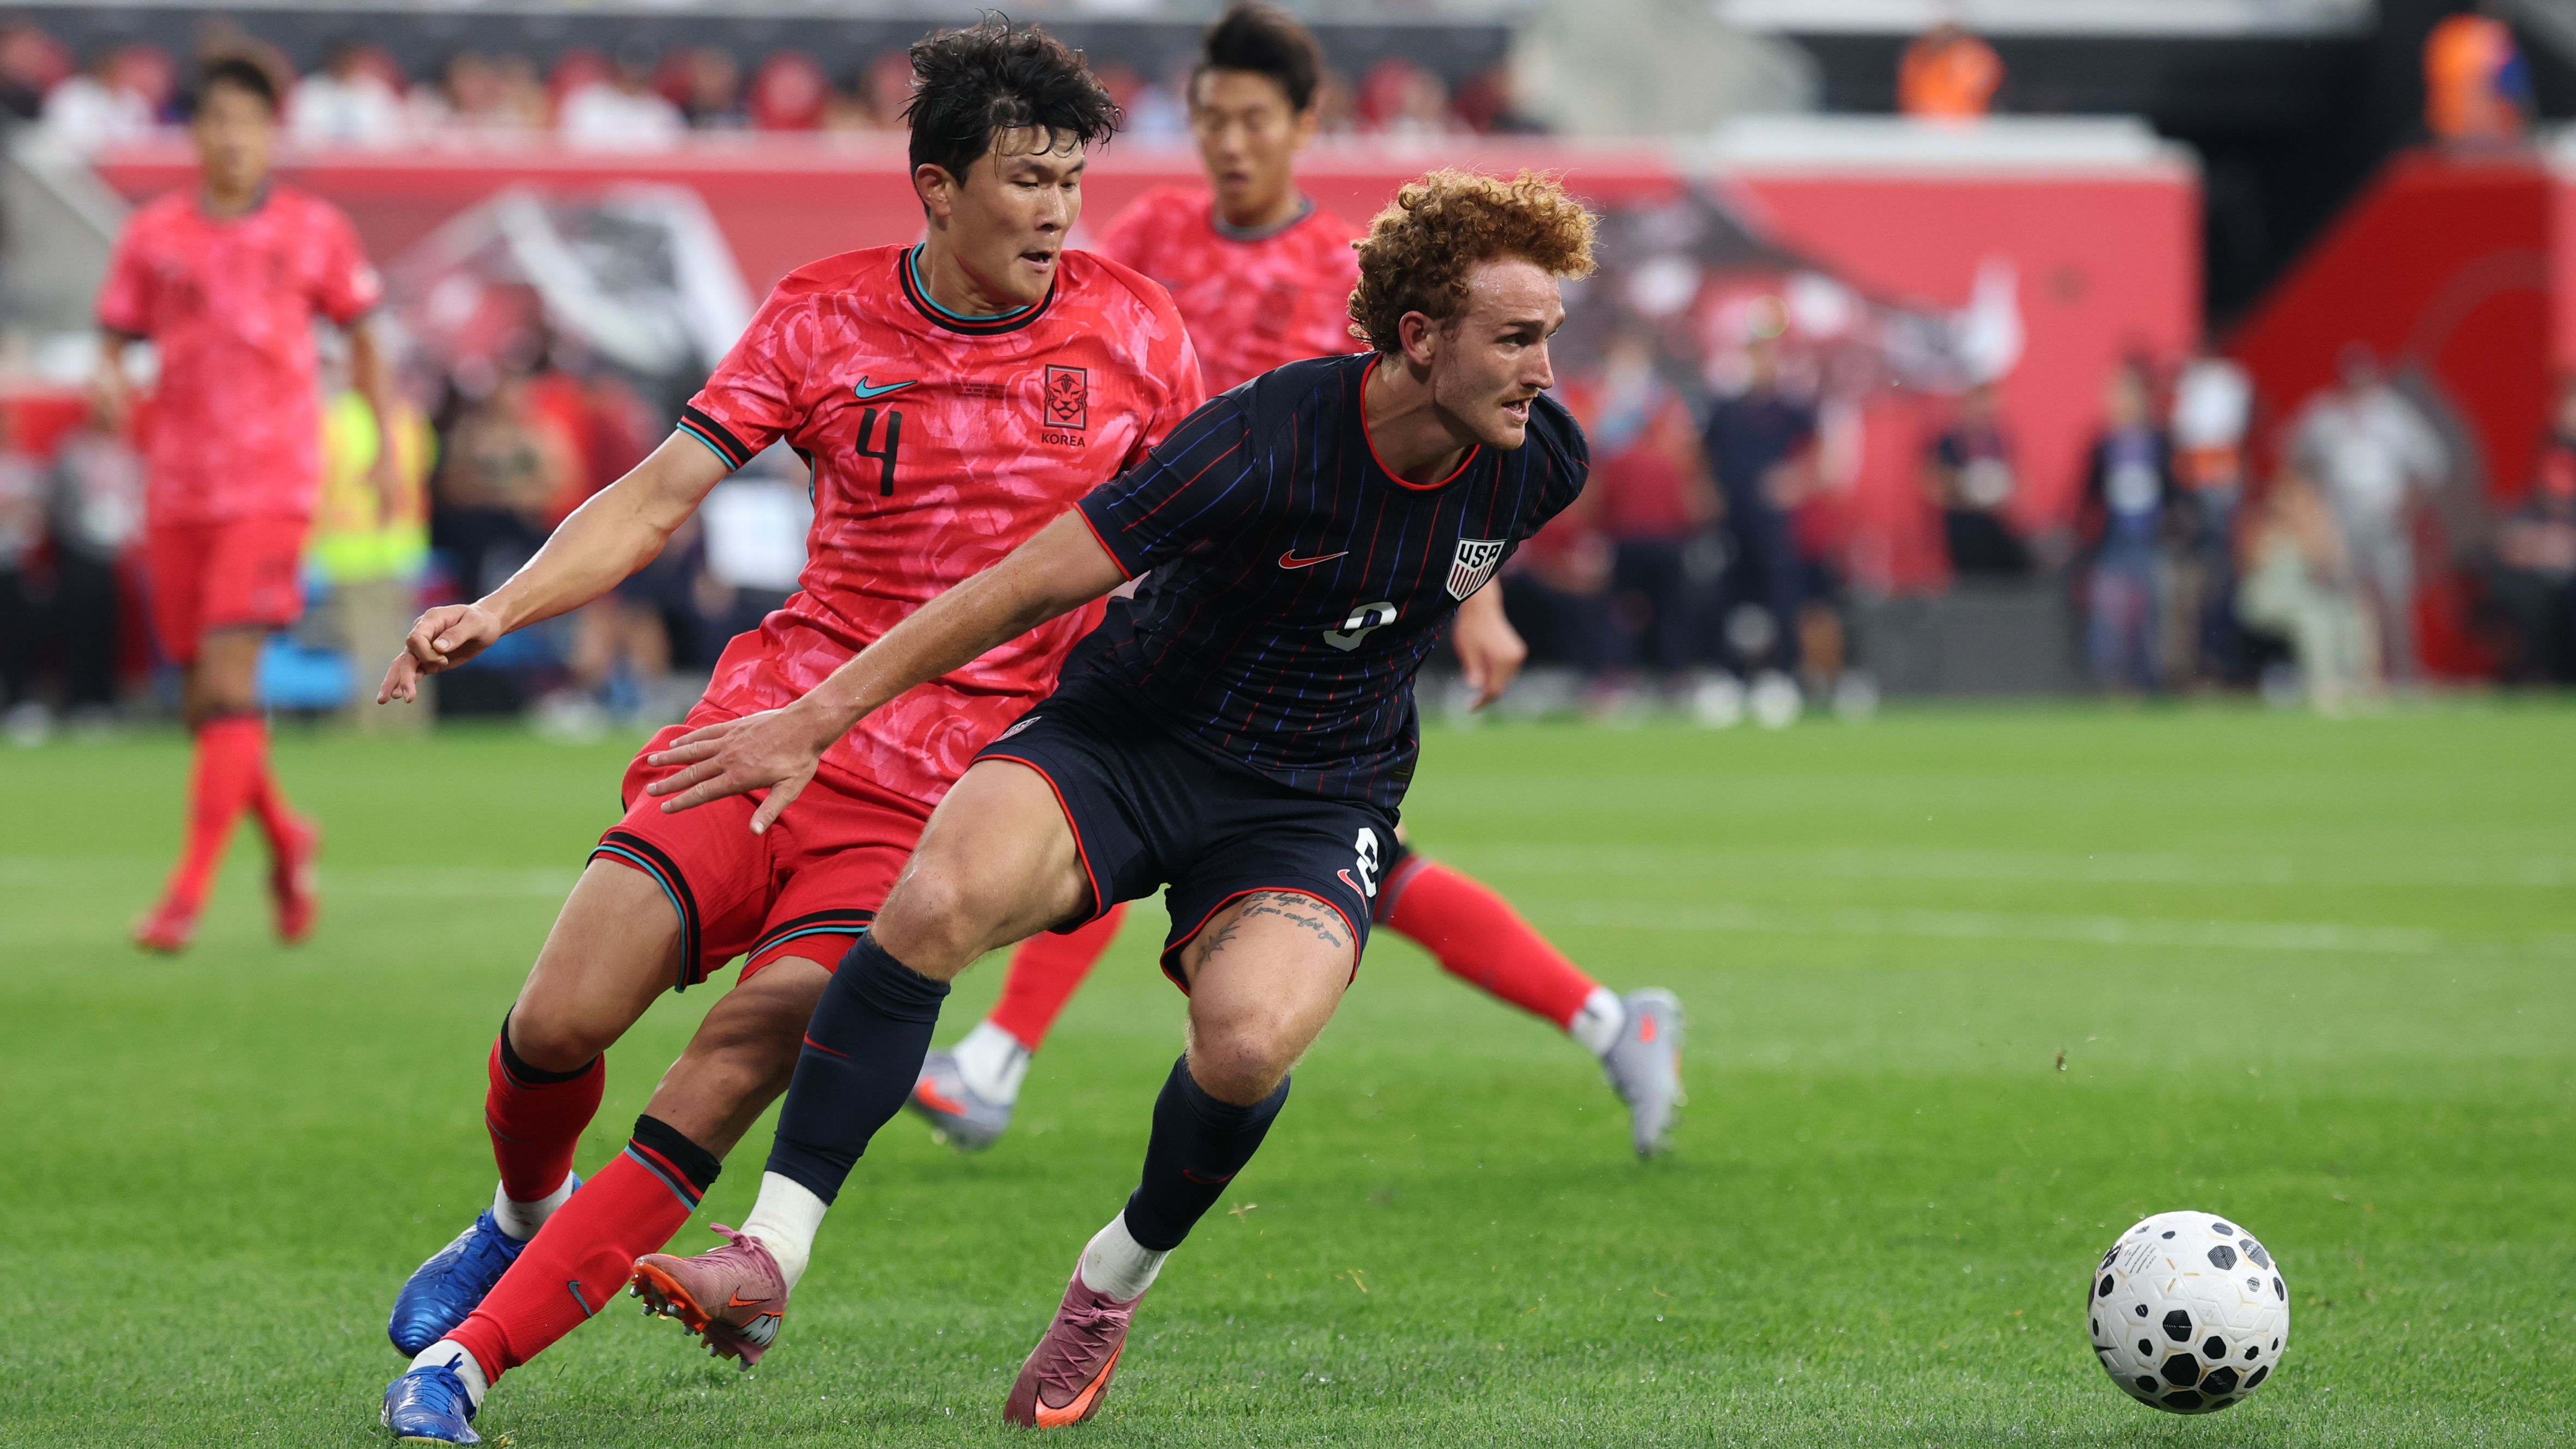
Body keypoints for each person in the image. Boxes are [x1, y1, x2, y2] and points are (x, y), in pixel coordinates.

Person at [627, 168, 1597, 1428]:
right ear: (1417, 339)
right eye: (1516, 339)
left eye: (1549, 339)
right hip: (1128, 738)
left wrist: (1477, 614)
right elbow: (1028, 583)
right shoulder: (1264, 439)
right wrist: (818, 716)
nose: (1543, 370)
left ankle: (1109, 1283)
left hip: (1313, 794)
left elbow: (1431, 544)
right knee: (935, 899)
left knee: (1246, 1046)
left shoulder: (1542, 462)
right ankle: (767, 1254)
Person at [370, 22, 1202, 1445]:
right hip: (769, 733)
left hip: (948, 797)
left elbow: (1204, 541)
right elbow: (655, 496)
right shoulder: (820, 316)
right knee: (561, 1017)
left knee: (746, 1048)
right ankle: (520, 1211)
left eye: (1072, 179)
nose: (1059, 210)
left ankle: (459, 1367)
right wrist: (499, 606)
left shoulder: (1138, 335)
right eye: (1026, 178)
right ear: (937, 190)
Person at [915, 1, 1682, 1164]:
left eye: (1253, 120)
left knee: (1256, 829)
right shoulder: (1156, 234)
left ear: (1303, 126)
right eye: (1209, 118)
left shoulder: (1355, 273)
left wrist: (1478, 602)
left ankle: (995, 1054)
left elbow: (1436, 464)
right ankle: (1611, 1022)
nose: (1228, 142)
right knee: (1172, 806)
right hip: (1174, 566)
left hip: (1313, 605)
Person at [96, 55, 400, 951]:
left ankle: (182, 899)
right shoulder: (152, 236)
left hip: (270, 488)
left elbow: (365, 338)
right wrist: (109, 381)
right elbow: (114, 335)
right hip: (177, 487)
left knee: (230, 683)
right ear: (194, 131)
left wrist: (383, 445)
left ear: (271, 132)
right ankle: (287, 835)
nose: (231, 137)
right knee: (202, 700)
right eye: (216, 119)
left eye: (248, 121)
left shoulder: (315, 231)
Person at [2288, 346, 2446, 685]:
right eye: (2350, 382)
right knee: (2343, 600)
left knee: (2393, 599)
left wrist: (2409, 506)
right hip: (2340, 520)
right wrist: (2314, 512)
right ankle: (2350, 678)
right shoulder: (2322, 415)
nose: (2356, 390)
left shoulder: (2394, 414)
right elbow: (2296, 461)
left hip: (2387, 519)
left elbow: (2432, 465)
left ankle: (2405, 676)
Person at [1702, 326, 1816, 687]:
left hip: (1772, 524)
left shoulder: (1789, 409)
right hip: (1732, 522)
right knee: (1728, 597)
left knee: (1780, 598)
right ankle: (1728, 675)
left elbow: (1822, 454)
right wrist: (1707, 493)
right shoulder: (1726, 410)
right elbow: (1701, 455)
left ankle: (1781, 674)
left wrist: (1796, 483)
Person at [2075, 360, 2183, 694]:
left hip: (2150, 542)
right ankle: (2112, 683)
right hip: (2114, 542)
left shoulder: (2159, 443)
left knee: (2154, 614)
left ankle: (2149, 680)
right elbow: (2088, 497)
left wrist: (2174, 523)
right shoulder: (2103, 446)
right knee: (2111, 615)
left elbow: (2174, 491)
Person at [2237, 467, 2378, 714]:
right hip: (2266, 598)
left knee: (2351, 612)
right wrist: (2291, 528)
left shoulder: (2315, 527)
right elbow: (2252, 565)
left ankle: (2357, 681)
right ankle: (2324, 686)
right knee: (2314, 619)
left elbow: (2330, 568)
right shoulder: (2260, 523)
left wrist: (2317, 529)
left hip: (2304, 597)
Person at [1923, 380, 2030, 580]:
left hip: (1996, 521)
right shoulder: (1950, 441)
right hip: (1963, 522)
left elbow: (2020, 481)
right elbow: (1932, 484)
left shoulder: (2001, 439)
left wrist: (2003, 492)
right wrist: (1966, 486)